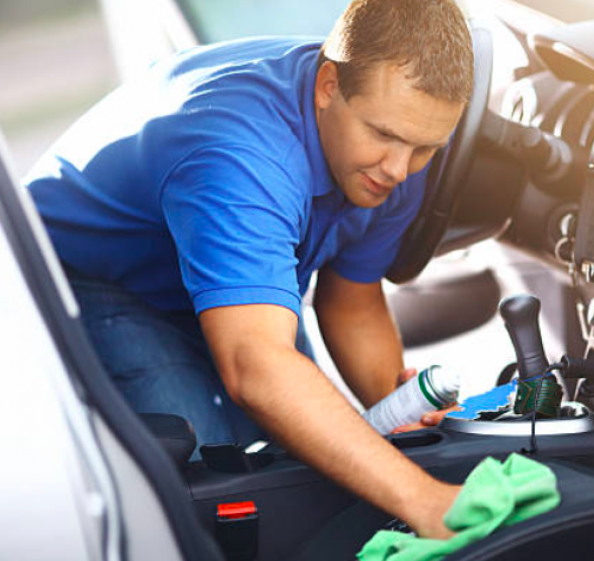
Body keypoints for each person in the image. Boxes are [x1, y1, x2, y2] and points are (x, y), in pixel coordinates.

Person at [25, 0, 473, 538]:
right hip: (92, 278)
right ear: (328, 86)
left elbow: (351, 300)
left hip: (218, 279)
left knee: (309, 466)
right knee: (216, 492)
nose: (400, 169)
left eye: (425, 148)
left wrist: (399, 409)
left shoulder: (396, 143)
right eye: (385, 137)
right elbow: (256, 367)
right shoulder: (243, 156)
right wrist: (425, 499)